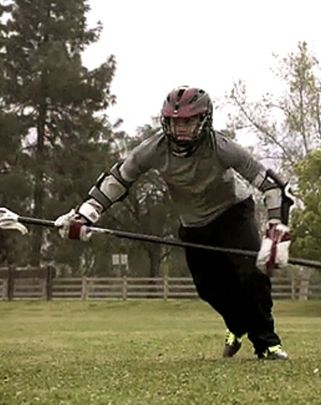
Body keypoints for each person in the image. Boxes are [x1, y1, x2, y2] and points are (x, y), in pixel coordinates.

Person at [54, 85, 294, 360]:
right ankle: (237, 323)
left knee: (252, 275)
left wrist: (277, 231)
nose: (181, 128)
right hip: (193, 225)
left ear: (204, 120)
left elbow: (273, 187)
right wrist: (85, 214)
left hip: (232, 214)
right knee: (208, 288)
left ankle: (267, 343)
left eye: (188, 121)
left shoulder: (224, 148)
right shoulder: (153, 149)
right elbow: (119, 178)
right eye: (175, 121)